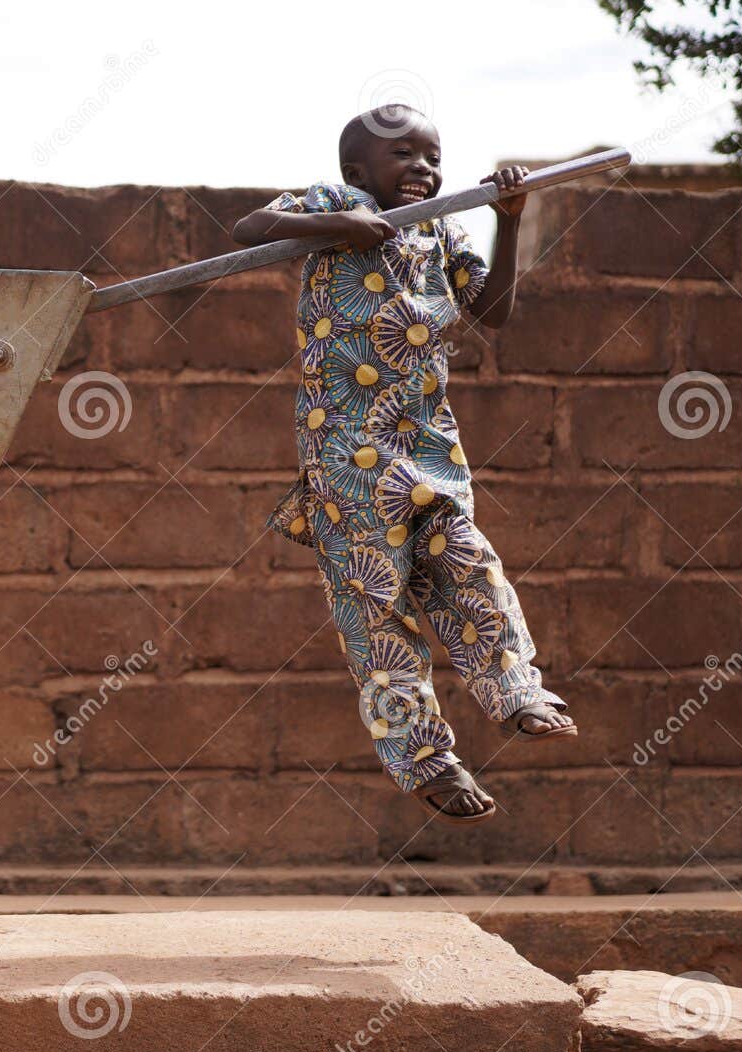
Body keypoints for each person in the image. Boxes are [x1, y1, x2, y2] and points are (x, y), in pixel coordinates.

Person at [230, 104, 576, 825]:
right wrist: (336, 227)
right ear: (358, 172)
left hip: (428, 449)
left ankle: (515, 691)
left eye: (433, 156)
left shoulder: (446, 225)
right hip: (346, 457)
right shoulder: (336, 202)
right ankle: (427, 761)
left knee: (471, 566)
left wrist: (509, 216)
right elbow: (249, 227)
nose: (423, 168)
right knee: (376, 605)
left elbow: (496, 311)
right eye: (404, 156)